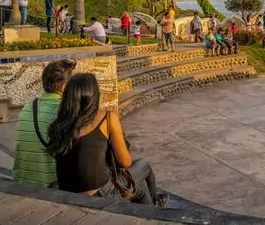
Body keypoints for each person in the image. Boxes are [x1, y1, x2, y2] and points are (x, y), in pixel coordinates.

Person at [47, 74, 165, 205]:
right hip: (100, 194)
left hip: (67, 192)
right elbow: (125, 162)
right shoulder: (106, 117)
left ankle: (153, 203)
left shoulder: (57, 125)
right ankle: (156, 203)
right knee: (144, 167)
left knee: (137, 188)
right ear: (94, 96)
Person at [13, 60, 76, 188]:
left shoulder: (28, 106)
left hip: (22, 183)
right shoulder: (65, 111)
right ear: (64, 86)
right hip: (50, 187)